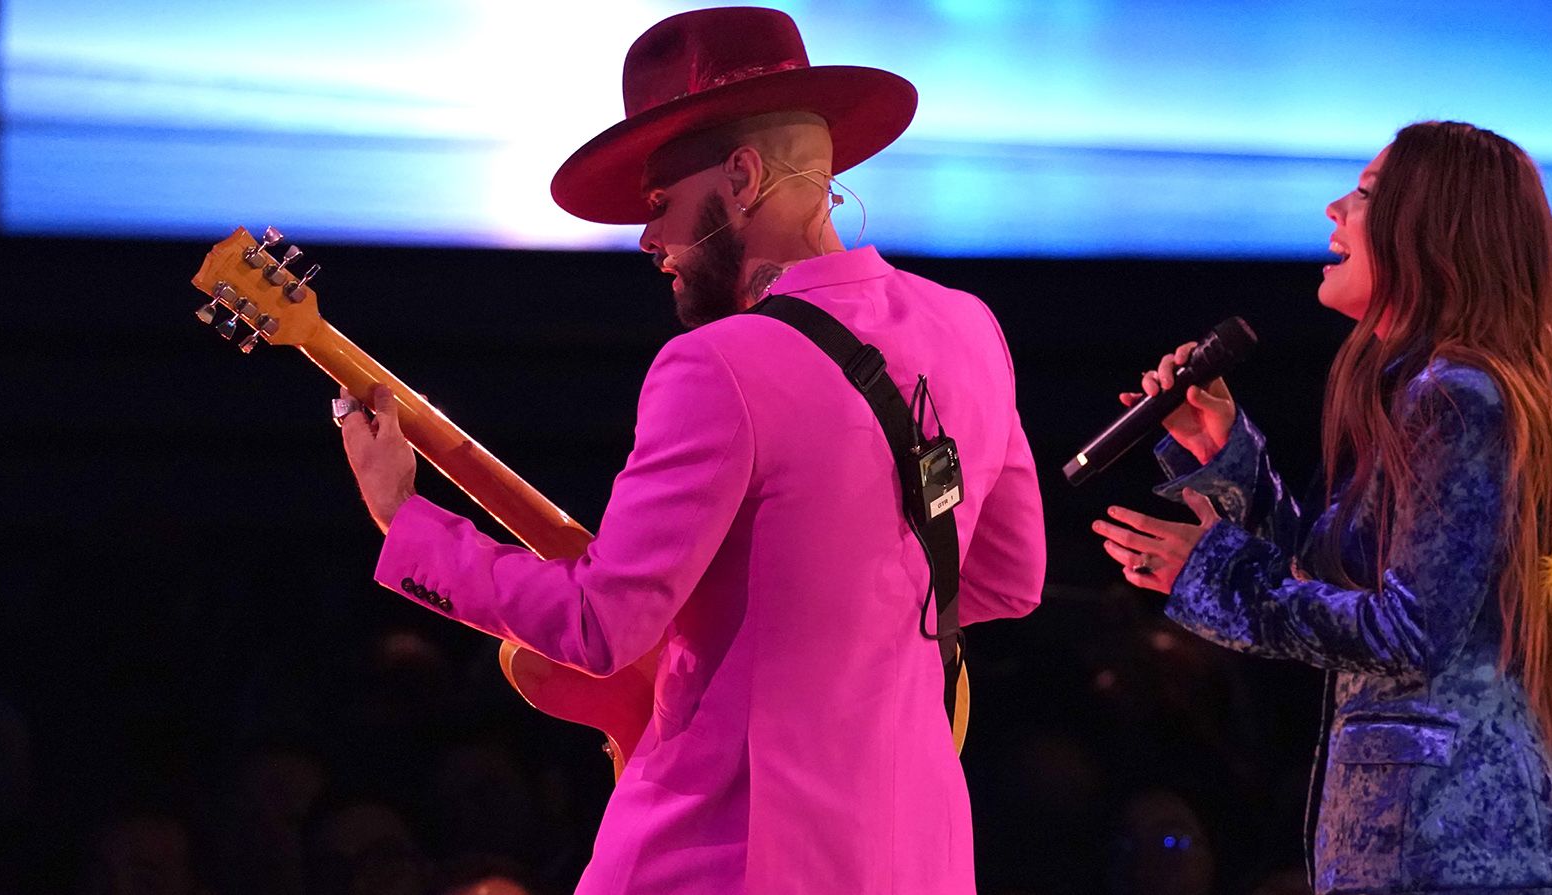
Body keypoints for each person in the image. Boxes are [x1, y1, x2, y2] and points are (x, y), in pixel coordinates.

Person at [335, 8, 1046, 893]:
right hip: (921, 859)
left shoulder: (718, 365)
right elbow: (1008, 579)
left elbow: (601, 625)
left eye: (661, 205)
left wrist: (404, 519)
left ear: (743, 177)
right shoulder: (969, 328)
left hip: (723, 856)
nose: (648, 241)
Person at [1094, 121, 1552, 895]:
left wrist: (1210, 575)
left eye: (1368, 194)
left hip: (1455, 849)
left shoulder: (1456, 398)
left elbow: (1407, 630)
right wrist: (1226, 457)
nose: (1334, 208)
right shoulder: (1440, 390)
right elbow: (1335, 578)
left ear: (1435, 230)